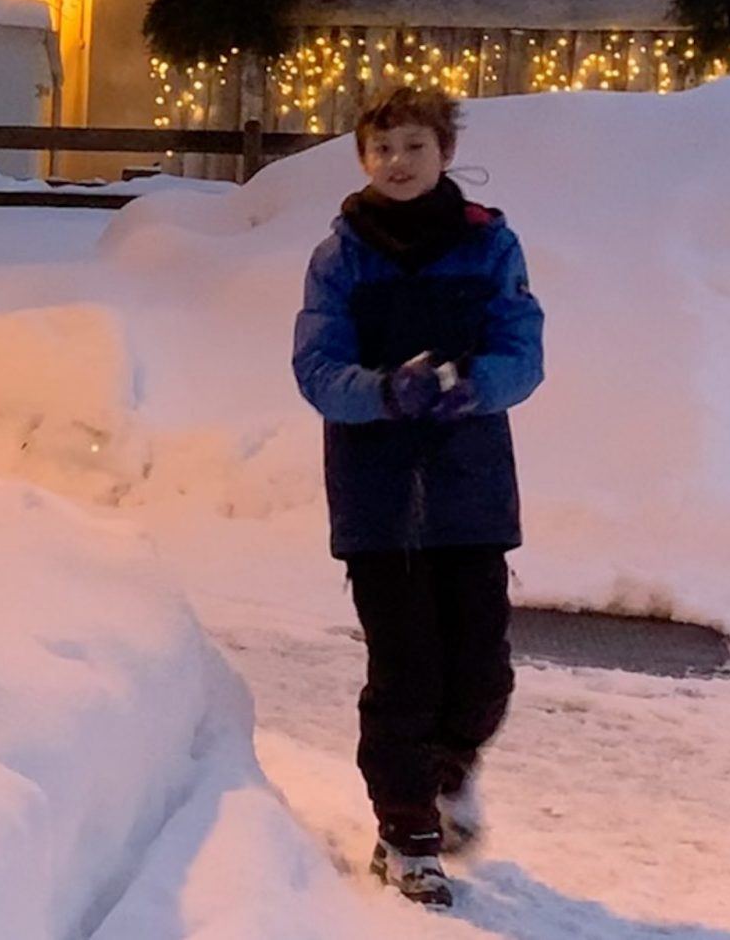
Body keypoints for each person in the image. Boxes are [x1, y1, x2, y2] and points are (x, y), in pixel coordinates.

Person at [291, 85, 545, 909]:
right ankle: (408, 837)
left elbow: (523, 350)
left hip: (470, 489)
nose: (397, 163)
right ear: (363, 157)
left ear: (445, 151)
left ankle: (443, 779)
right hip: (378, 499)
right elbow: (317, 370)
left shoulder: (488, 244)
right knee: (405, 673)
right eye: (381, 148)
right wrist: (384, 392)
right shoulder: (342, 257)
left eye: (413, 146)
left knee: (480, 674)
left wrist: (471, 384)